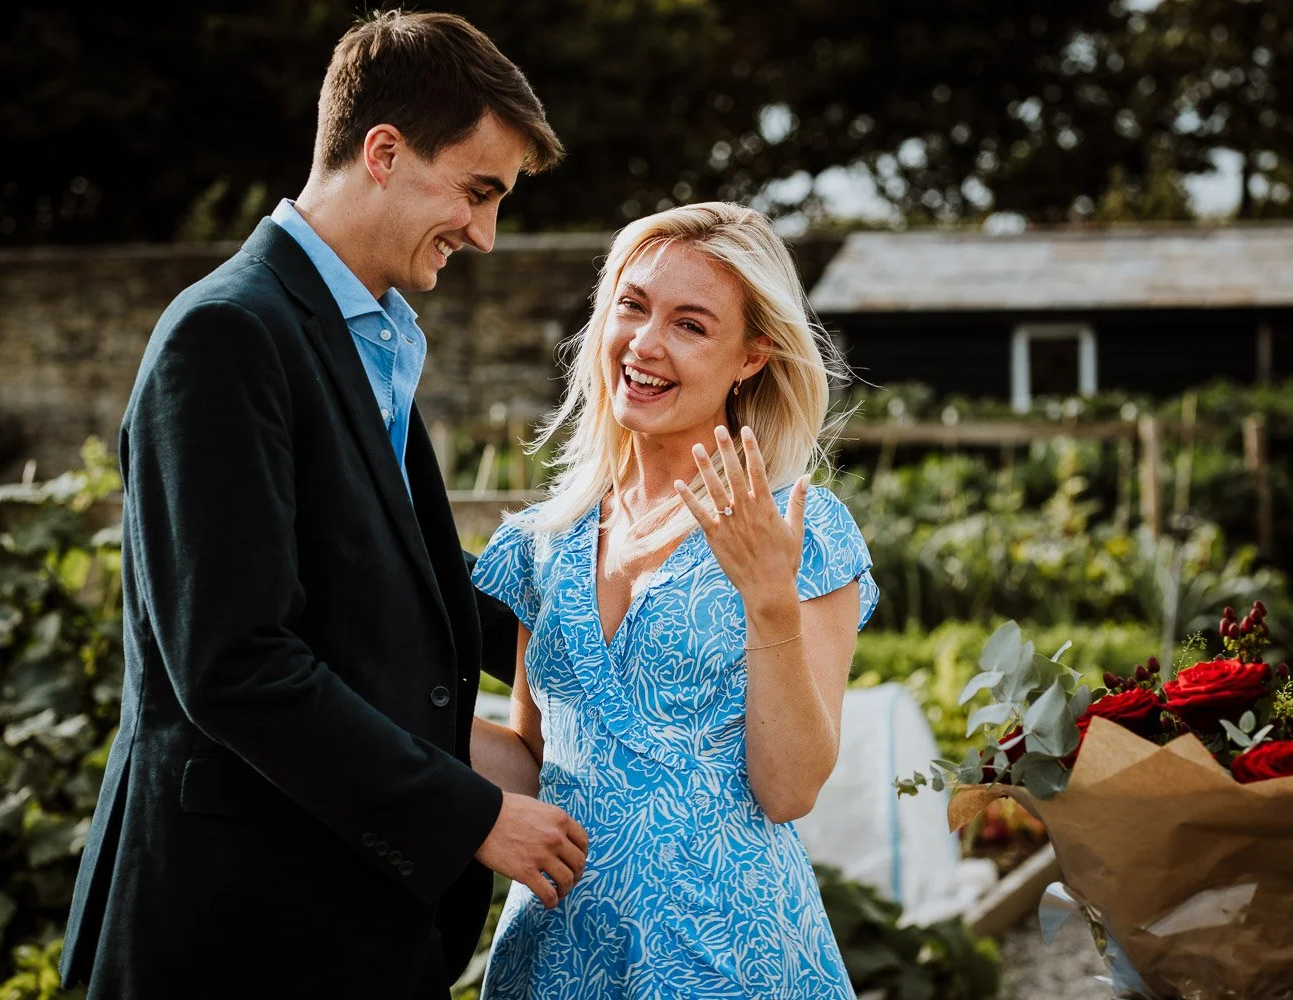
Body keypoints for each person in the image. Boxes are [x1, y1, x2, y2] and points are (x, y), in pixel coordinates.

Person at [59, 12, 588, 998]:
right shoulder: (225, 335)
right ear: (383, 153)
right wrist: (471, 813)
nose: (484, 234)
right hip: (231, 928)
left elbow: (386, 581)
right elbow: (236, 663)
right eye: (478, 191)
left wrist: (608, 609)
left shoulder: (365, 334)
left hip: (342, 914)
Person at [469, 202, 879, 998]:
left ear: (752, 356)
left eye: (690, 325)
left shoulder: (801, 529)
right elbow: (535, 763)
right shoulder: (543, 539)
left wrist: (768, 598)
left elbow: (790, 789)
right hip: (560, 957)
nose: (645, 344)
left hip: (729, 958)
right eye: (633, 306)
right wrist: (384, 714)